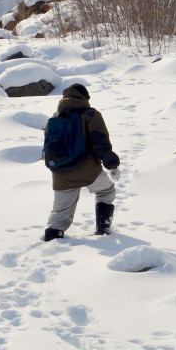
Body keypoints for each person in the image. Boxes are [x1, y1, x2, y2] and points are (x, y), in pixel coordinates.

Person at [44, 83, 121, 241]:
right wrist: (112, 164)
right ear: (85, 97)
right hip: (87, 170)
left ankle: (52, 237)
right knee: (106, 192)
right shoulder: (90, 114)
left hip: (60, 172)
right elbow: (100, 143)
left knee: (60, 212)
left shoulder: (55, 117)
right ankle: (103, 229)